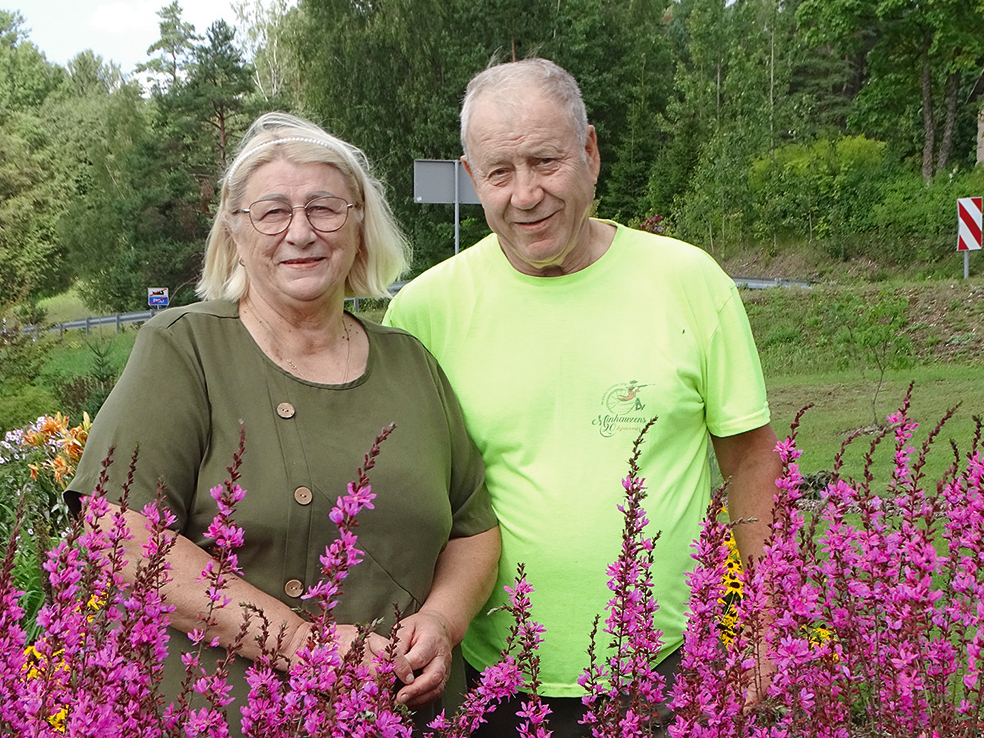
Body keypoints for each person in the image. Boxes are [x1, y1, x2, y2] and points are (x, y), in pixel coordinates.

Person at [67, 112, 501, 734]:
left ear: (358, 226)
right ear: (236, 233)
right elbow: (120, 538)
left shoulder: (410, 362)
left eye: (325, 208)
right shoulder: (184, 349)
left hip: (410, 713)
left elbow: (473, 527)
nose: (300, 232)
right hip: (231, 715)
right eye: (272, 212)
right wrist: (301, 642)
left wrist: (442, 621)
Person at [383, 58, 781, 736]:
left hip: (672, 669)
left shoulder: (687, 279)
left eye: (546, 161)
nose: (526, 194)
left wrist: (767, 624)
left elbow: (749, 463)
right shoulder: (424, 313)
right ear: (472, 177)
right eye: (500, 172)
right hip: (486, 679)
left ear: (590, 152)